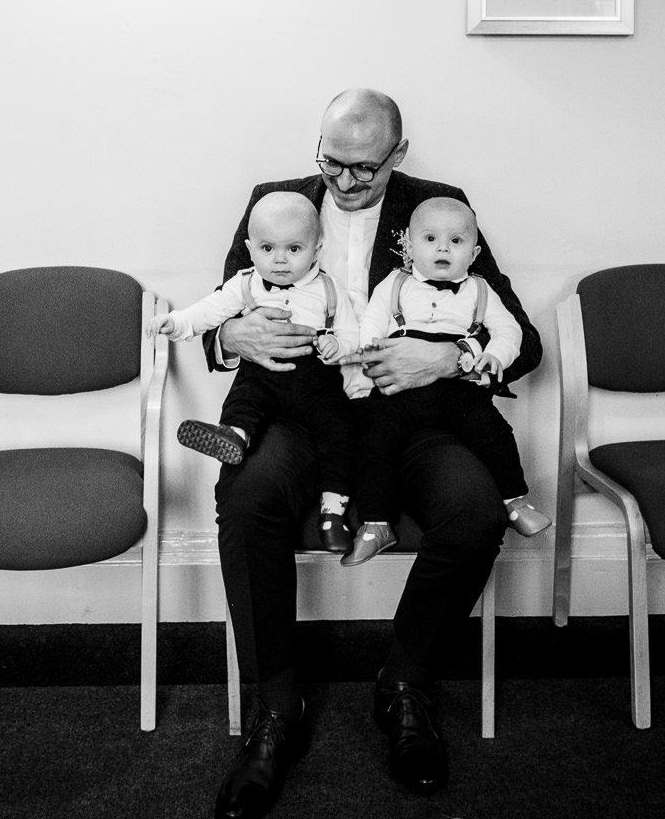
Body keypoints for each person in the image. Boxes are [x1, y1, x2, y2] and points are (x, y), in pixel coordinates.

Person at [206, 88, 541, 819]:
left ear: (399, 154)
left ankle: (405, 685)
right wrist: (231, 338)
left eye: (366, 167)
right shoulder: (277, 201)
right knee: (247, 494)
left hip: (410, 413)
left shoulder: (440, 204)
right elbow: (222, 307)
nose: (347, 182)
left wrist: (448, 358)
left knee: (475, 510)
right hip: (300, 409)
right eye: (333, 162)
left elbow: (521, 339)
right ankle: (276, 707)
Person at [341, 196, 549, 569]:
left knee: (493, 432)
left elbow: (510, 332)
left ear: (474, 253)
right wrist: (372, 348)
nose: (442, 248)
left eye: (456, 241)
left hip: (457, 389)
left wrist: (494, 356)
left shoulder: (481, 290)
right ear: (408, 244)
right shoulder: (395, 283)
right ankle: (375, 524)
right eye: (430, 239)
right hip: (399, 390)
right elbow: (372, 319)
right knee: (374, 440)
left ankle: (516, 501)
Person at [152, 192, 361, 551]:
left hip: (315, 383)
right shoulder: (244, 284)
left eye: (294, 249)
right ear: (251, 249)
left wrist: (337, 346)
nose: (279, 260)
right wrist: (178, 323)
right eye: (267, 249)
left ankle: (333, 513)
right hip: (264, 378)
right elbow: (210, 310)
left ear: (317, 248)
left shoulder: (329, 290)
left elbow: (351, 333)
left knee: (337, 433)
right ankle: (234, 435)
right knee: (245, 397)